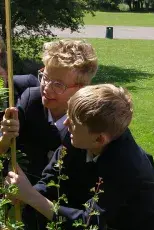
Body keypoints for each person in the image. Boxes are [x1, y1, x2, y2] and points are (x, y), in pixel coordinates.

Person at [6, 84, 154, 230]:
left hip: (137, 228)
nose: (65, 123)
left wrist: (31, 196)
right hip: (106, 209)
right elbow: (54, 175)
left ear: (99, 139)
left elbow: (87, 225)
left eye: (73, 121)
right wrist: (25, 194)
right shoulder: (80, 133)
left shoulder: (126, 166)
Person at [0, 39, 98, 184]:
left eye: (58, 84)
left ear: (81, 88)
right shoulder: (30, 100)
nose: (46, 88)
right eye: (45, 77)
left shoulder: (90, 119)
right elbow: (3, 149)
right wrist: (6, 136)